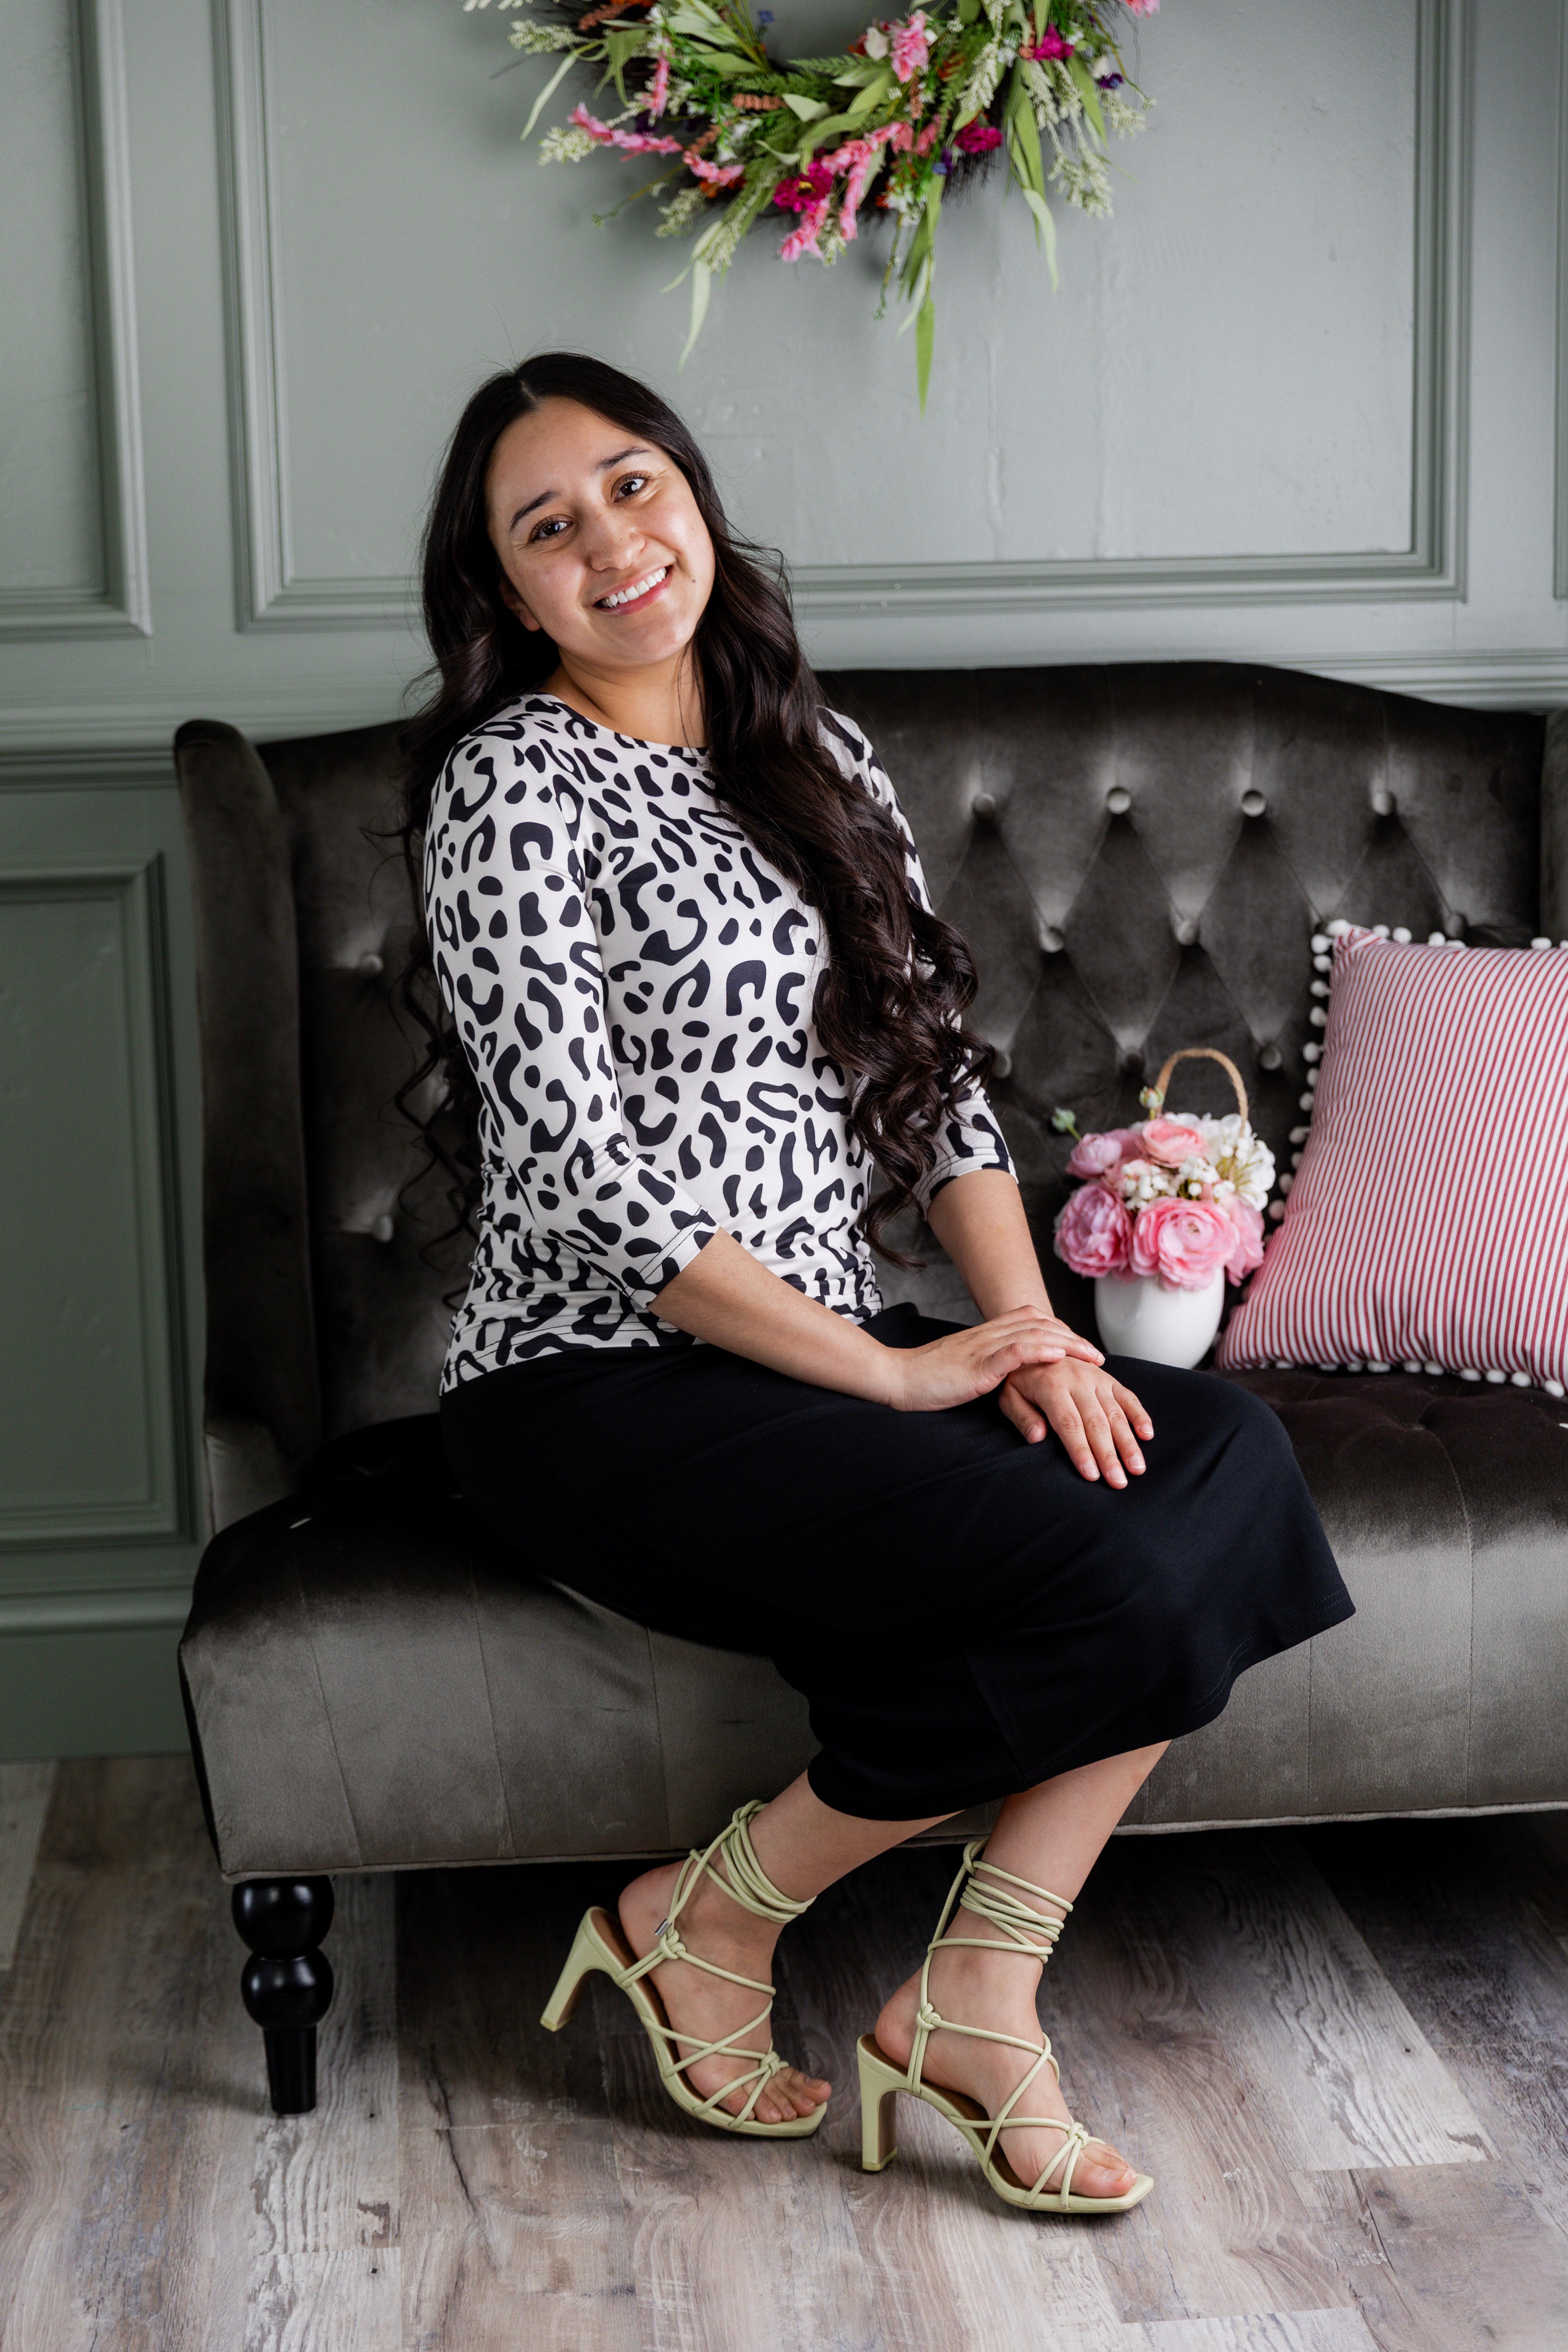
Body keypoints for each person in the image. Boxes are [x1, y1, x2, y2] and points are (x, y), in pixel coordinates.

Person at [401, 352, 1354, 2216]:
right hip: (598, 1388)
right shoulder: (510, 788)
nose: (612, 542)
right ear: (506, 591)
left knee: (1216, 1453)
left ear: (691, 494)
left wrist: (1027, 1338)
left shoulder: (810, 751)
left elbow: (933, 1082)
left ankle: (975, 1994)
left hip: (813, 1363)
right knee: (1105, 1563)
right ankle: (709, 1922)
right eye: (549, 525)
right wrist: (901, 1373)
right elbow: (584, 1180)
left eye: (633, 485)